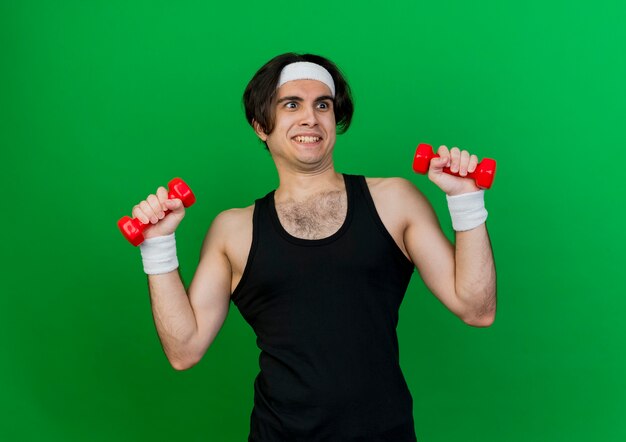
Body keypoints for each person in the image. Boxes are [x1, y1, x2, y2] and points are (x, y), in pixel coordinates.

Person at [131, 53, 496, 441]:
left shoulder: (395, 201)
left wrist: (466, 200)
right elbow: (184, 350)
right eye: (292, 104)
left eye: (323, 104)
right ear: (260, 126)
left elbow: (477, 309)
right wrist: (157, 246)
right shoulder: (233, 230)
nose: (311, 118)